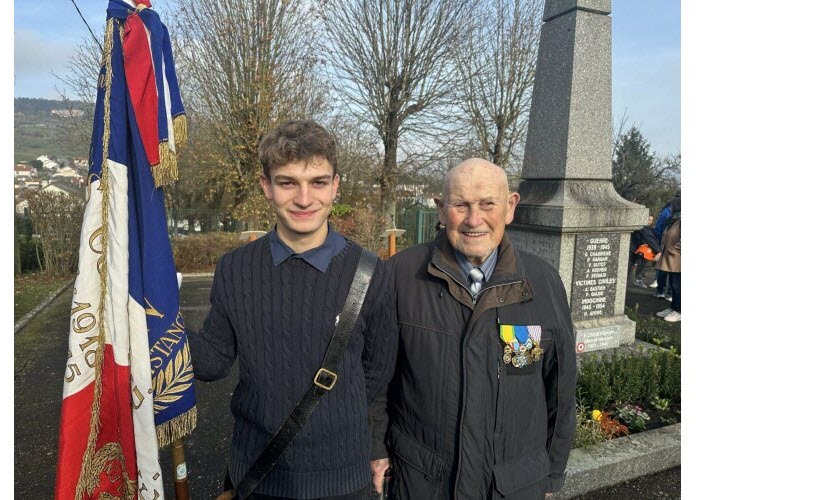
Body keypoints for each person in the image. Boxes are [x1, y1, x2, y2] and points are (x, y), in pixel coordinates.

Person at [188, 120, 398, 499]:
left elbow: (377, 372)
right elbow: (213, 360)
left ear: (335, 186)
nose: (304, 199)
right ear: (266, 187)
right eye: (288, 183)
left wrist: (336, 422)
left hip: (342, 482)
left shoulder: (370, 272)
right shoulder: (235, 268)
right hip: (257, 475)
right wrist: (151, 325)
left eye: (318, 182)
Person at [373, 158, 577, 499]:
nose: (473, 219)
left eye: (487, 204)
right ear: (440, 209)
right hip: (423, 483)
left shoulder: (543, 282)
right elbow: (375, 381)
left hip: (513, 486)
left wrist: (552, 477)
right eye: (460, 205)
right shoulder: (400, 275)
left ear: (510, 207)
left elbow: (560, 391)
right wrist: (375, 450)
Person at [655, 196, 681, 322]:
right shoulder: (674, 219)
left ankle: (679, 311)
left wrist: (675, 250)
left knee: (678, 285)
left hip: (678, 258)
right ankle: (673, 308)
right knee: (672, 283)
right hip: (671, 257)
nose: (672, 207)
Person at [628, 214, 662, 287]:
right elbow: (649, 237)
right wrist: (658, 251)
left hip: (639, 251)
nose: (649, 222)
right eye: (648, 219)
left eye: (651, 220)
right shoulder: (643, 227)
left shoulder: (648, 229)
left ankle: (637, 279)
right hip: (635, 250)